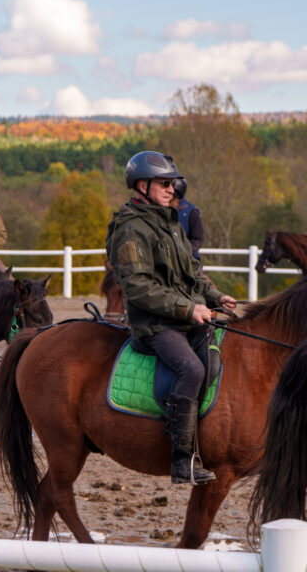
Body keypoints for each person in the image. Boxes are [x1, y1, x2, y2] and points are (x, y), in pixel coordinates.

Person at [105, 151, 237, 485]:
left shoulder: (171, 221)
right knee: (190, 368)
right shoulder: (131, 229)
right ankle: (181, 460)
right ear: (142, 185)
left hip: (184, 317)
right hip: (155, 323)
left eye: (173, 183)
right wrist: (188, 308)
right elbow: (137, 287)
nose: (172, 189)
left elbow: (191, 271)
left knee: (215, 359)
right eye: (165, 183)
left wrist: (214, 296)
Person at [171, 178, 205, 259]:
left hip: (189, 260)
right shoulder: (163, 209)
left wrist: (185, 253)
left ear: (177, 193)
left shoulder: (192, 212)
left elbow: (198, 239)